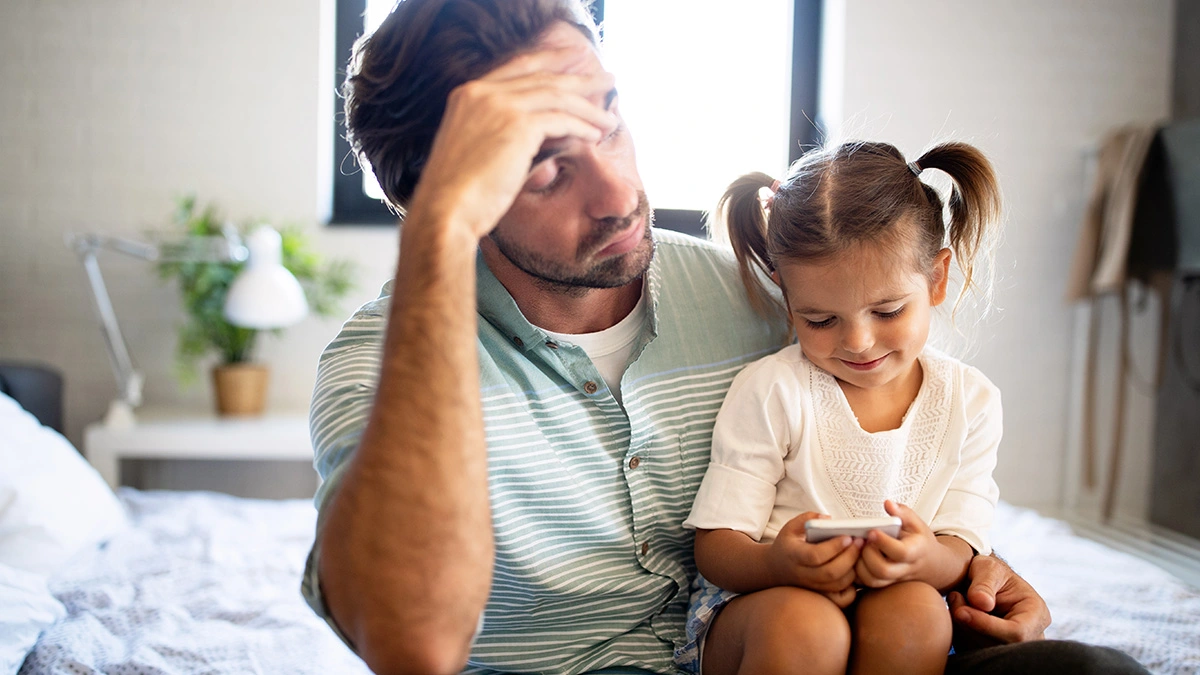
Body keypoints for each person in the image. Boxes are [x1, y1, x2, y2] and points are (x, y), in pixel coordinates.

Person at [300, 1, 1150, 673]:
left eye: (607, 115)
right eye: (545, 166)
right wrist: (438, 235)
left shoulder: (763, 295)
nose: (617, 190)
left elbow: (897, 441)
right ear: (444, 197)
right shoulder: (377, 370)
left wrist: (974, 569)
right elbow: (410, 644)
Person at [677, 141, 1002, 675]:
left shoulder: (971, 400)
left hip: (895, 597)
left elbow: (963, 542)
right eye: (820, 321)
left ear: (936, 279)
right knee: (806, 625)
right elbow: (717, 546)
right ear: (786, 297)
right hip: (764, 603)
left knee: (919, 613)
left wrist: (927, 560)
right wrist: (777, 562)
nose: (858, 342)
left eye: (888, 310)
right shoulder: (774, 389)